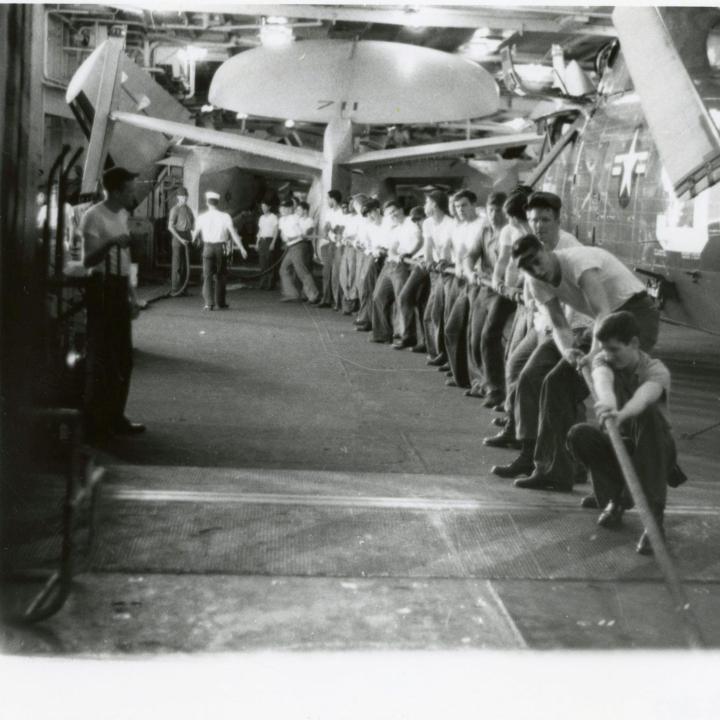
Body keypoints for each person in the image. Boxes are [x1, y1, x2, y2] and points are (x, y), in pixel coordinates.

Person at [507, 230, 660, 492]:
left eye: (536, 260)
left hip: (635, 314)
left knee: (614, 392)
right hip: (604, 322)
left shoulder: (578, 261)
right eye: (527, 267)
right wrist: (568, 351)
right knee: (557, 382)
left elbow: (603, 311)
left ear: (546, 250)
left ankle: (617, 489)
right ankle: (553, 471)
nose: (536, 270)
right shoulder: (535, 281)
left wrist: (592, 354)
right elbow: (558, 323)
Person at [490, 191, 589, 473]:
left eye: (545, 219)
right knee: (520, 372)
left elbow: (576, 307)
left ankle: (571, 459)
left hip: (576, 327)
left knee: (557, 386)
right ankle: (528, 447)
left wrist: (568, 344)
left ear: (558, 220)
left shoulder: (571, 248)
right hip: (546, 324)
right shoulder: (532, 246)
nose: (539, 225)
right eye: (533, 220)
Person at [567, 312, 681, 554]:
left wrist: (621, 414)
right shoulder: (604, 362)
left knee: (648, 415)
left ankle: (654, 521)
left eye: (614, 349)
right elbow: (602, 381)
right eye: (604, 349)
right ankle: (616, 499)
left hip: (656, 450)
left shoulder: (656, 370)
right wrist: (608, 405)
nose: (608, 355)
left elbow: (643, 398)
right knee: (580, 435)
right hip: (623, 444)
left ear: (635, 344)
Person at [80, 166, 144, 441]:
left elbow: (126, 261)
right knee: (102, 358)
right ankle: (95, 422)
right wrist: (110, 243)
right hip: (101, 287)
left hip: (118, 287)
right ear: (115, 191)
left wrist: (131, 296)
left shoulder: (122, 214)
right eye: (129, 190)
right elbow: (88, 261)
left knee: (123, 358)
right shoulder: (93, 217)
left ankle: (116, 416)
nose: (132, 195)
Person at [461, 191, 509, 405]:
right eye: (490, 209)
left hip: (503, 290)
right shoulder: (485, 231)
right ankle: (482, 381)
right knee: (475, 336)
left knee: (490, 336)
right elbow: (470, 255)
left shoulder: (510, 233)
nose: (494, 214)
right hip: (484, 288)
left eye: (498, 209)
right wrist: (470, 272)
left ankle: (496, 390)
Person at [442, 190, 485, 389]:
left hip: (478, 282)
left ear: (474, 204)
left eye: (464, 205)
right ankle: (460, 375)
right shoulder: (459, 227)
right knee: (453, 328)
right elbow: (458, 252)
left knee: (472, 333)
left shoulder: (483, 224)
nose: (460, 210)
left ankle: (476, 381)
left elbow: (475, 252)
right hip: (462, 279)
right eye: (457, 207)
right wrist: (458, 264)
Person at [370, 199, 421, 343]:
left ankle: (405, 335)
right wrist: (389, 251)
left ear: (401, 209)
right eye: (389, 213)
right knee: (378, 296)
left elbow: (419, 240)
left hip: (403, 265)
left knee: (401, 299)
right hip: (390, 264)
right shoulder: (395, 227)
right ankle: (382, 334)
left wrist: (409, 253)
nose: (393, 215)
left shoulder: (410, 223)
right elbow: (393, 245)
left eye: (394, 211)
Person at [194, 190, 248, 311]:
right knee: (221, 276)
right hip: (221, 248)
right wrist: (242, 248)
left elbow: (195, 234)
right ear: (218, 203)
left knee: (207, 276)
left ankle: (209, 303)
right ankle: (220, 302)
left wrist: (190, 240)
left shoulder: (201, 217)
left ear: (207, 203)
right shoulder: (225, 216)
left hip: (207, 247)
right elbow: (233, 233)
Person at [420, 190, 455, 364]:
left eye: (427, 202)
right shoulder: (427, 223)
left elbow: (447, 247)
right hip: (437, 272)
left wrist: (442, 260)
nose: (424, 206)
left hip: (450, 273)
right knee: (432, 314)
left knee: (442, 313)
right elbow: (428, 245)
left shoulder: (450, 223)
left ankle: (443, 355)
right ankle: (435, 352)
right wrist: (427, 260)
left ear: (434, 204)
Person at [394, 205, 430, 351]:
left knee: (406, 297)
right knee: (421, 302)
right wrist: (409, 254)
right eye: (414, 221)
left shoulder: (430, 227)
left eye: (419, 220)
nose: (417, 223)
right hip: (420, 264)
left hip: (425, 266)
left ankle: (412, 337)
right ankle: (421, 341)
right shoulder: (423, 229)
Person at [278, 199, 321, 304]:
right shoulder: (282, 220)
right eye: (281, 208)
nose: (282, 210)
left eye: (285, 208)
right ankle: (292, 294)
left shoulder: (295, 218)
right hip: (290, 247)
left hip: (298, 245)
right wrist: (285, 238)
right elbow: (282, 233)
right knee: (284, 269)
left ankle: (314, 295)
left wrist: (292, 237)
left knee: (302, 271)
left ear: (289, 209)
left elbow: (303, 234)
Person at [354, 198, 384, 332]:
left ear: (378, 210)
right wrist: (362, 245)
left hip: (385, 258)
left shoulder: (387, 224)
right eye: (367, 215)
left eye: (370, 213)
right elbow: (365, 243)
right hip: (373, 257)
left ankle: (370, 320)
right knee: (366, 287)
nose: (369, 217)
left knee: (375, 290)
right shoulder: (369, 226)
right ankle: (365, 318)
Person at [318, 190, 345, 308]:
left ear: (333, 199)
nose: (327, 201)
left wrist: (332, 231)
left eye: (328, 199)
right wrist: (325, 230)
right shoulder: (329, 212)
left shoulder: (342, 212)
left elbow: (341, 228)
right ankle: (326, 299)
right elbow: (327, 225)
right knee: (326, 272)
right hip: (330, 244)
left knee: (336, 274)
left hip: (339, 245)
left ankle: (337, 301)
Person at [167, 186, 194, 295]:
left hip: (186, 236)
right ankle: (175, 289)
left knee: (184, 265)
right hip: (178, 237)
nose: (185, 198)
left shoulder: (188, 209)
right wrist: (181, 239)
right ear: (178, 197)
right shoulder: (175, 209)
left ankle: (183, 289)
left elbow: (192, 225)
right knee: (177, 265)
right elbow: (170, 227)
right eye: (183, 196)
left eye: (186, 196)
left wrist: (193, 236)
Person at [256, 201, 279, 290]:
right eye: (262, 207)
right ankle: (262, 283)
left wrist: (273, 243)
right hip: (262, 240)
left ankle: (270, 284)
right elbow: (260, 231)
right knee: (262, 262)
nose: (263, 208)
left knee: (270, 261)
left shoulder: (273, 217)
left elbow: (276, 231)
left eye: (265, 206)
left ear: (269, 207)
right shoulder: (261, 218)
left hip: (270, 240)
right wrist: (257, 242)